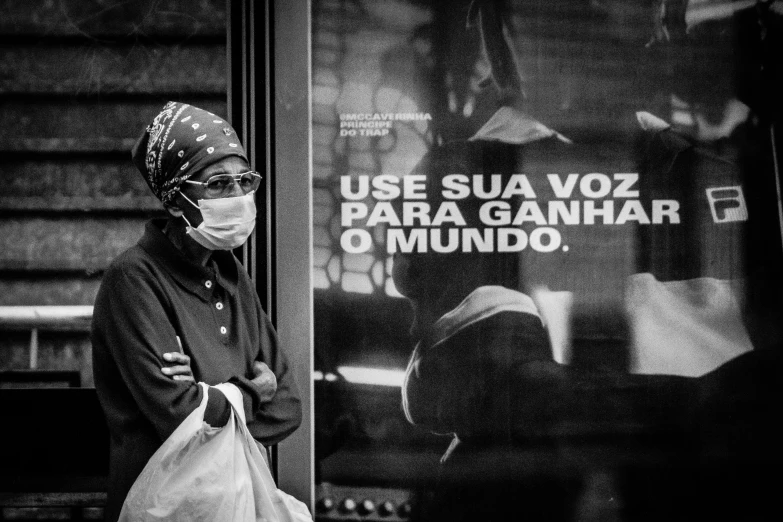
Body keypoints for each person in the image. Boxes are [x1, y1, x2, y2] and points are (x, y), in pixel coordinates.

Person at [91, 101, 302, 522]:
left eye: (245, 181)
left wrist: (213, 398)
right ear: (174, 203)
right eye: (219, 184)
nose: (239, 197)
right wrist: (251, 391)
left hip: (237, 504)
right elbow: (177, 415)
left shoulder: (230, 272)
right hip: (160, 506)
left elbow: (288, 407)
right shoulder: (133, 280)